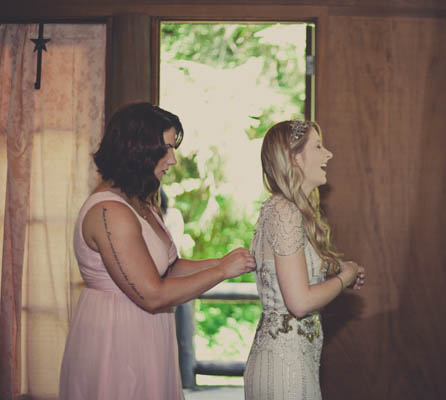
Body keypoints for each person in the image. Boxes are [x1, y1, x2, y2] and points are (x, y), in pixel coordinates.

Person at [59, 102, 256, 400]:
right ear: (137, 150)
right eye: (165, 148)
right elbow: (152, 294)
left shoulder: (143, 202)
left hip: (149, 330)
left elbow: (169, 267)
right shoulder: (109, 211)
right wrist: (221, 271)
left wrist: (226, 261)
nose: (173, 160)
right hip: (116, 335)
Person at [243, 120, 366, 400]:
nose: (329, 155)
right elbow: (299, 303)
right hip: (285, 371)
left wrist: (335, 272)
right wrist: (343, 277)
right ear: (295, 157)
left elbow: (293, 278)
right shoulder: (285, 212)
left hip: (293, 362)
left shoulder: (283, 209)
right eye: (319, 147)